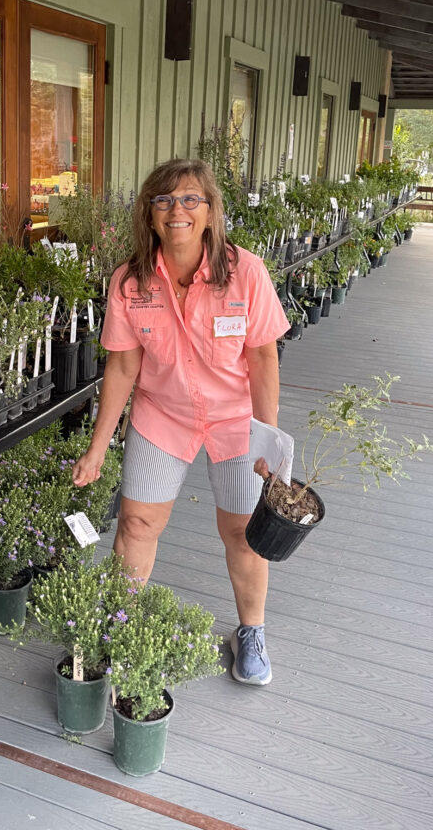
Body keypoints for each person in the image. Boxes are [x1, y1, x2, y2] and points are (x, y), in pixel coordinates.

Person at [72, 159, 289, 686]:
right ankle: (120, 625)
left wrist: (268, 440)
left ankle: (252, 632)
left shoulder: (246, 273)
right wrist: (98, 448)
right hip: (161, 415)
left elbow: (262, 359)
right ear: (149, 215)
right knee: (136, 524)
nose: (178, 211)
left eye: (191, 199)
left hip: (235, 420)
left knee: (243, 532)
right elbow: (123, 365)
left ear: (211, 212)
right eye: (164, 201)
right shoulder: (129, 282)